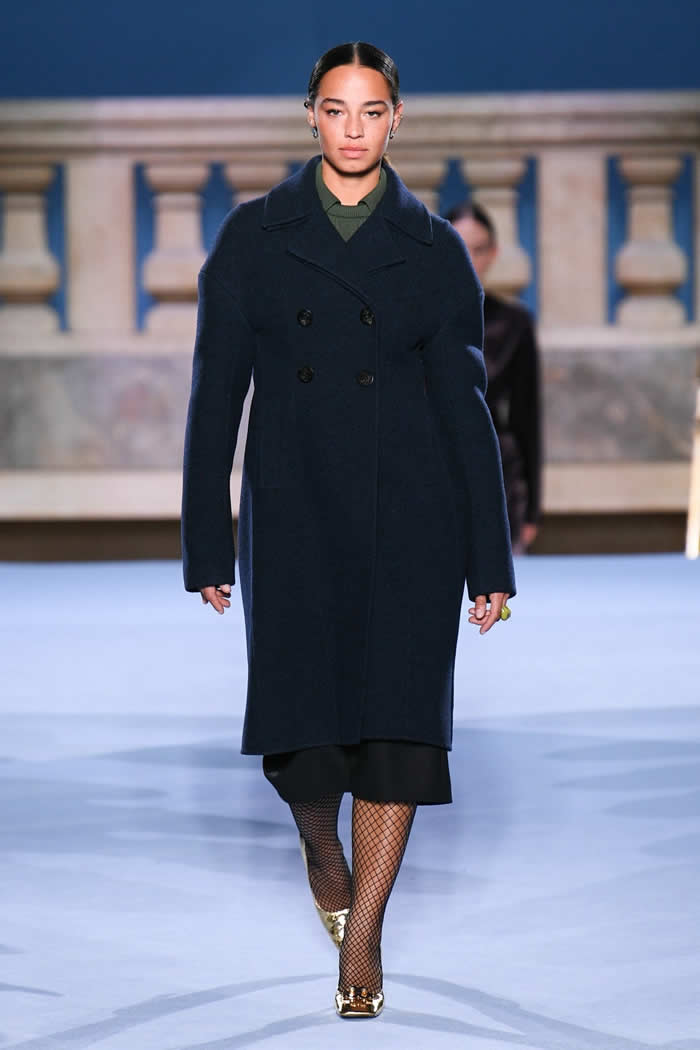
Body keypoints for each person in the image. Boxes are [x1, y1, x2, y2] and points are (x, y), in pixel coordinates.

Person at [181, 41, 515, 1020]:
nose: (355, 128)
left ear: (397, 118)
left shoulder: (434, 248)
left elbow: (466, 410)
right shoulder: (253, 238)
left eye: (372, 111)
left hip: (413, 514)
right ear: (311, 115)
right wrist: (207, 541)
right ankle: (322, 848)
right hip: (293, 512)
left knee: (399, 724)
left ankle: (364, 930)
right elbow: (214, 398)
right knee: (304, 740)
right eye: (337, 109)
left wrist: (488, 560)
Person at [446, 201, 542, 553]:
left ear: (494, 254)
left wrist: (532, 509)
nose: (469, 259)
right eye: (459, 247)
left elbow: (526, 417)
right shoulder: (412, 319)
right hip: (428, 477)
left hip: (497, 479)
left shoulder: (514, 324)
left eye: (479, 249)